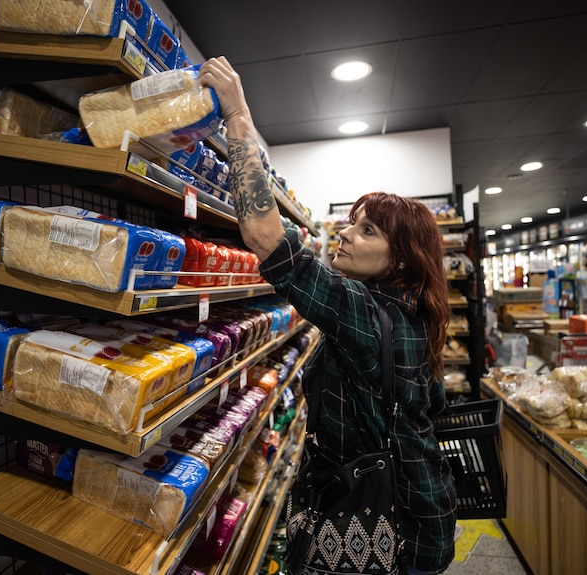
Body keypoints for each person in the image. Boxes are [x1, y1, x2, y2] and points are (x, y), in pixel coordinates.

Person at [199, 57, 457, 574]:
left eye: (367, 232)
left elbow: (265, 237)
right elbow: (432, 405)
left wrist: (239, 118)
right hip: (420, 508)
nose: (345, 234)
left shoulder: (365, 311)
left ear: (401, 259)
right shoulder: (416, 313)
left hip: (380, 520)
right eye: (350, 224)